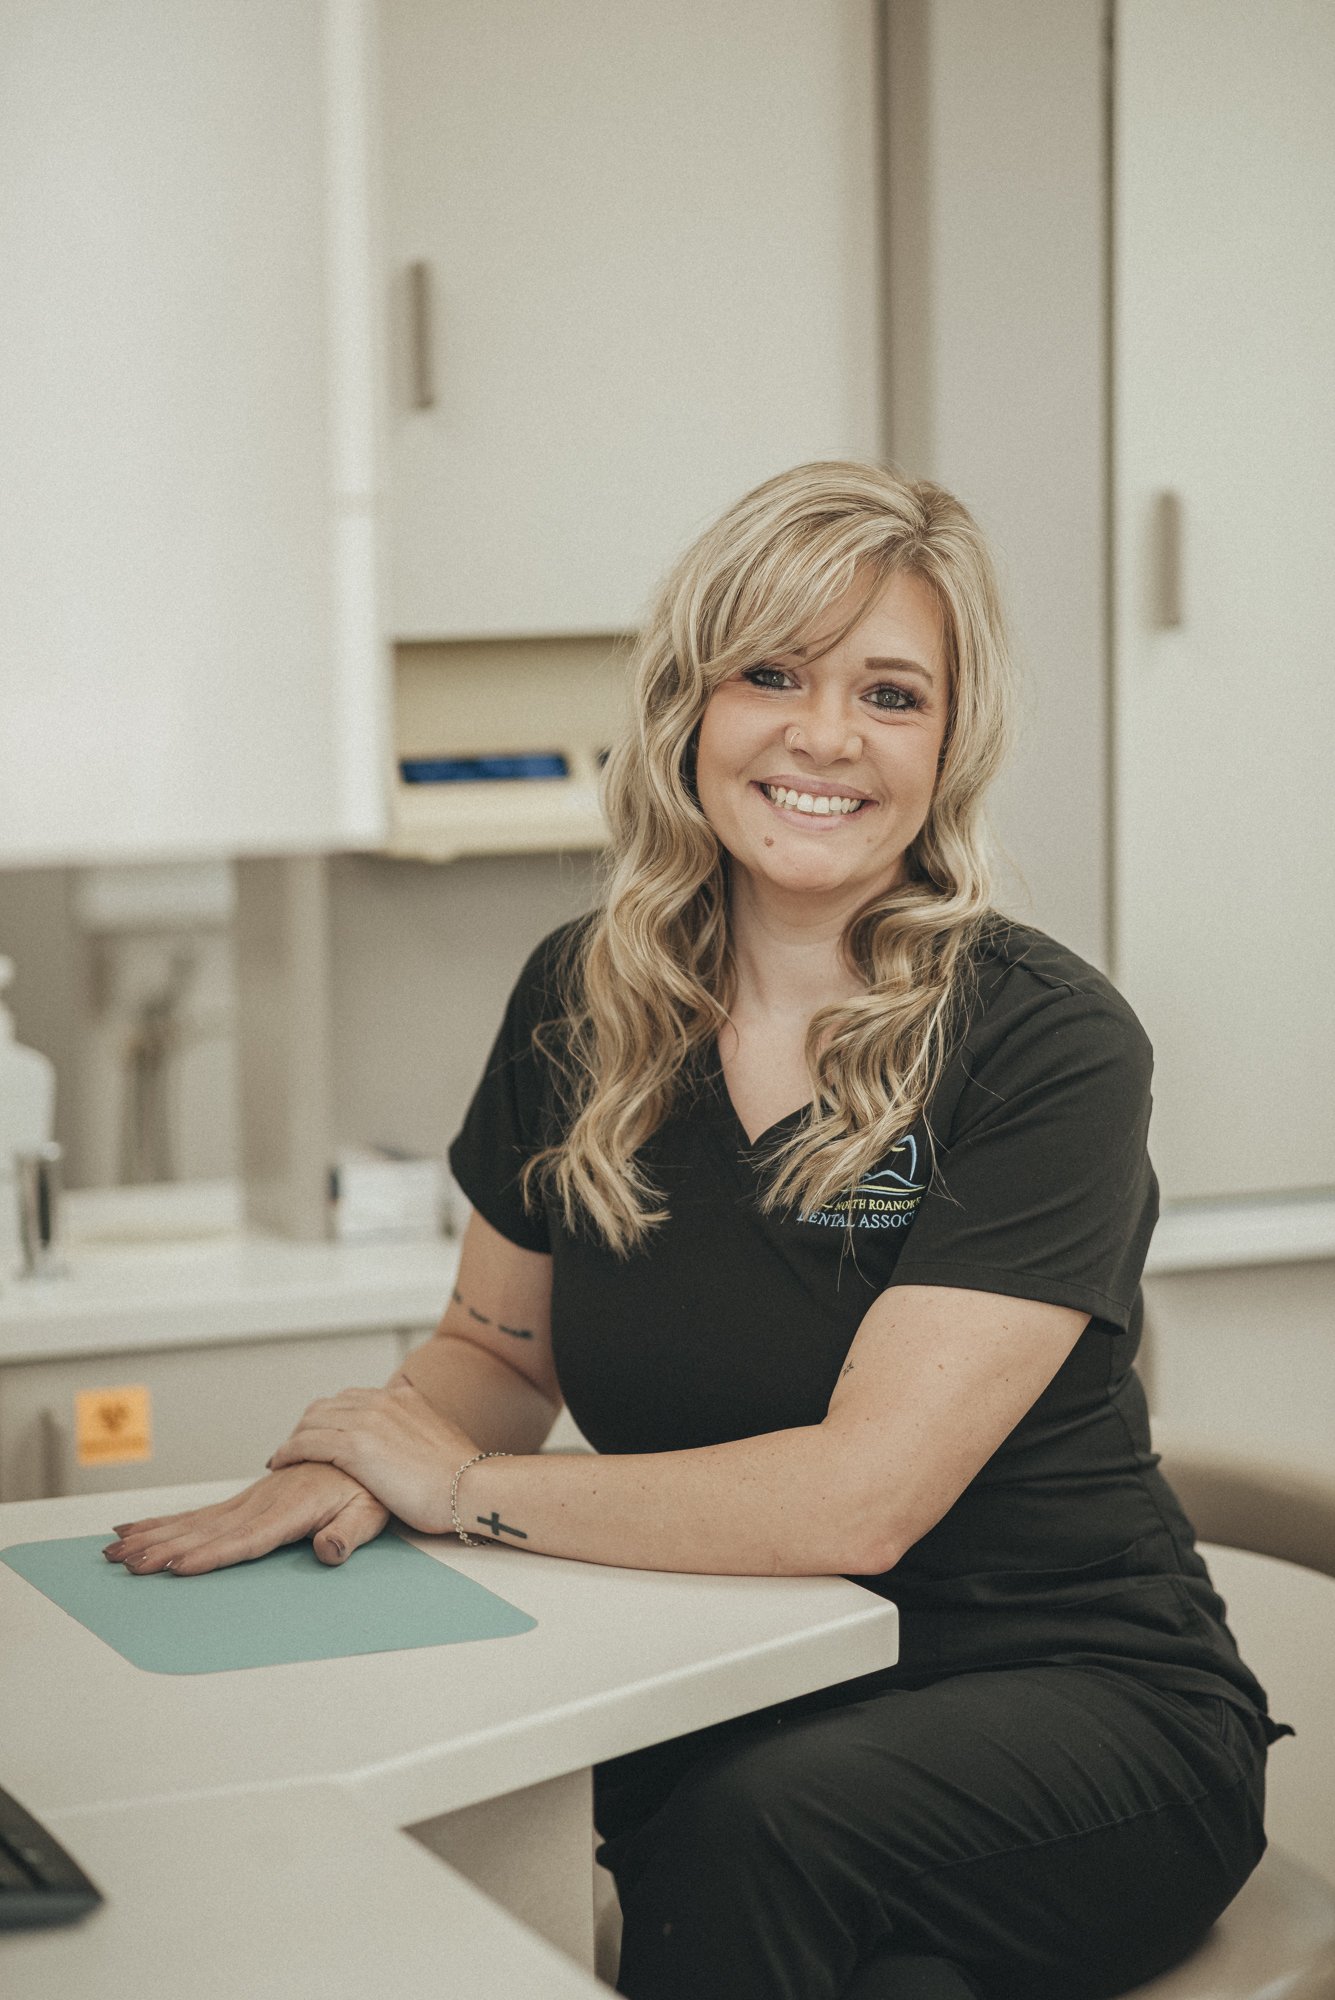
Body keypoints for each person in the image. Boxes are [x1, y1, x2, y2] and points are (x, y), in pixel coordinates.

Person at [104, 462, 1284, 2000]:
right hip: (732, 1691)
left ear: (952, 741)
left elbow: (864, 1501)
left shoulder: (1045, 1042)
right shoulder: (578, 995)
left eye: (891, 693)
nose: (823, 736)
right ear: (692, 707)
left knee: (763, 1839)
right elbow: (492, 1345)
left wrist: (458, 1487)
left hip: (1075, 1702)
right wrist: (356, 1450)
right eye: (773, 673)